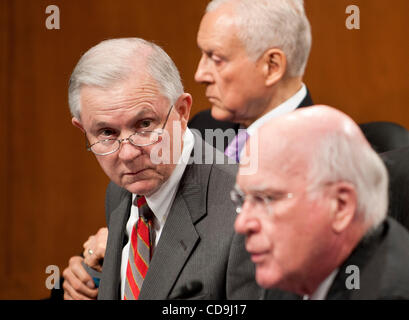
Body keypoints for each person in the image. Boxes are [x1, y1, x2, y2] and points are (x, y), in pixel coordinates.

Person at [62, 38, 261, 300]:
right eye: (106, 133)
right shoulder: (119, 191)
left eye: (144, 125)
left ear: (182, 111)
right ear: (83, 130)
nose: (128, 154)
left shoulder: (246, 210)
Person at [233, 105, 409, 299]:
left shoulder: (392, 292)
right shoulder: (293, 272)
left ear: (340, 206)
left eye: (267, 199)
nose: (241, 224)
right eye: (242, 198)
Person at [192, 0, 313, 156]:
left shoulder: (325, 153)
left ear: (272, 67)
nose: (200, 75)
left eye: (216, 59)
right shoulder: (200, 130)